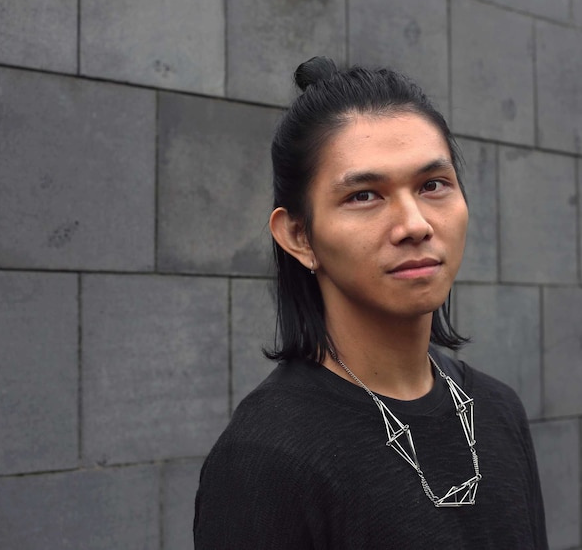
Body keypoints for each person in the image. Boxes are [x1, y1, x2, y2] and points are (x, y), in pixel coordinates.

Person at [194, 57, 548, 549]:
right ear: (299, 236)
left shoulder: (498, 410)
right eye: (364, 195)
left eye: (432, 185)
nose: (415, 224)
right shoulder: (266, 456)